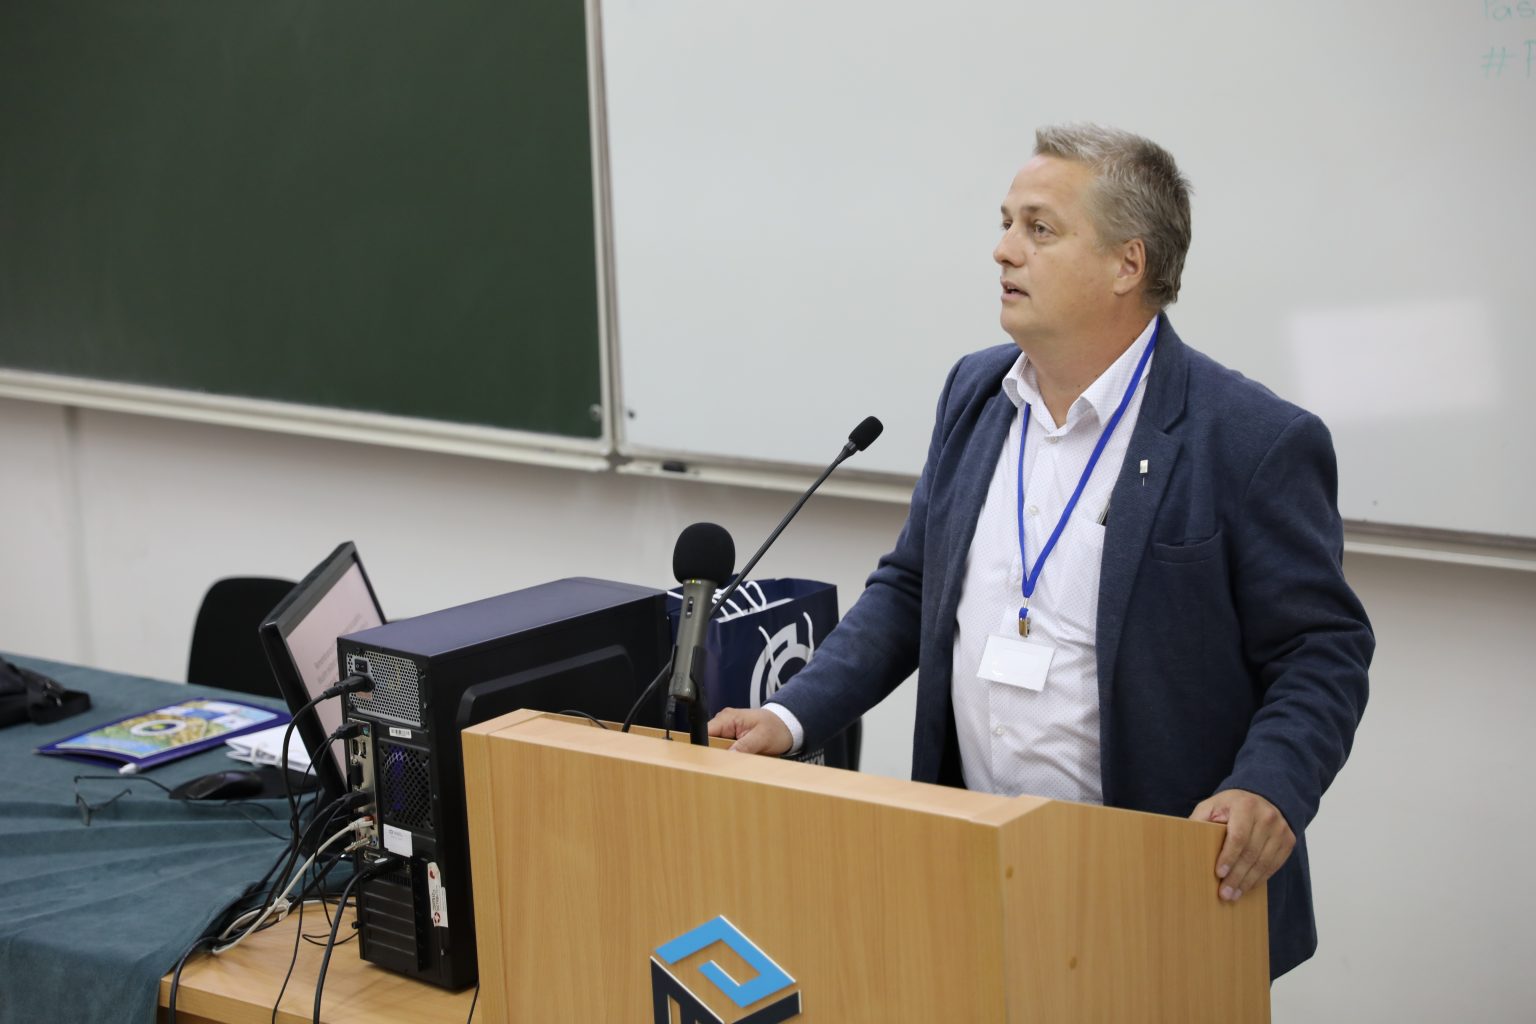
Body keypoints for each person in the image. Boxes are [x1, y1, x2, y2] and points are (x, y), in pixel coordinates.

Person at [707, 123, 1373, 979]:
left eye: (1039, 228)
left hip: (1160, 890)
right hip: (973, 867)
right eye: (1006, 222)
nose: (1003, 249)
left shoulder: (1249, 439)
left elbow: (1321, 649)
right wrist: (791, 716)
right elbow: (913, 587)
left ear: (1127, 265)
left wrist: (1270, 785)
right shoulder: (977, 392)